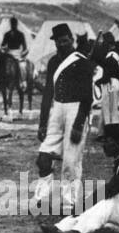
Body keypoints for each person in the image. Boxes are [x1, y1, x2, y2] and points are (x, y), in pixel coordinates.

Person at [35, 23, 92, 214]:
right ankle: (43, 199)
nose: (62, 45)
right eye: (58, 42)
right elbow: (47, 95)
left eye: (65, 41)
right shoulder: (52, 62)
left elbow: (87, 97)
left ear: (72, 39)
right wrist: (43, 123)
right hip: (57, 110)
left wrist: (78, 124)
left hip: (76, 109)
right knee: (43, 158)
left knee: (70, 161)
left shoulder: (82, 62)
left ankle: (69, 203)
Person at [95, 31, 119, 135]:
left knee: (109, 110)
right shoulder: (116, 55)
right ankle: (105, 132)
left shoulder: (110, 57)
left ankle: (110, 133)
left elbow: (107, 75)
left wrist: (98, 82)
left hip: (110, 83)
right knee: (110, 109)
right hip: (115, 82)